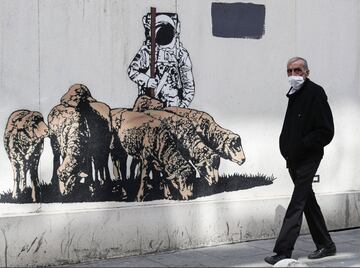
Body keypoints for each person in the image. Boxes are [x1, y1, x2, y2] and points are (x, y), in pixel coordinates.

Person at [265, 57, 336, 265]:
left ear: (307, 72)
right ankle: (326, 244)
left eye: (298, 70)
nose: (293, 74)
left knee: (297, 202)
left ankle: (283, 251)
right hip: (293, 157)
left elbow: (326, 131)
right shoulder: (294, 94)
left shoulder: (316, 92)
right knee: (307, 201)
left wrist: (303, 145)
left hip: (309, 157)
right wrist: (286, 148)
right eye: (289, 71)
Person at [128, 12, 195, 108]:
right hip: (150, 104)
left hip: (173, 105)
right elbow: (132, 71)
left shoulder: (180, 54)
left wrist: (182, 106)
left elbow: (189, 87)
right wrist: (147, 81)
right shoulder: (148, 51)